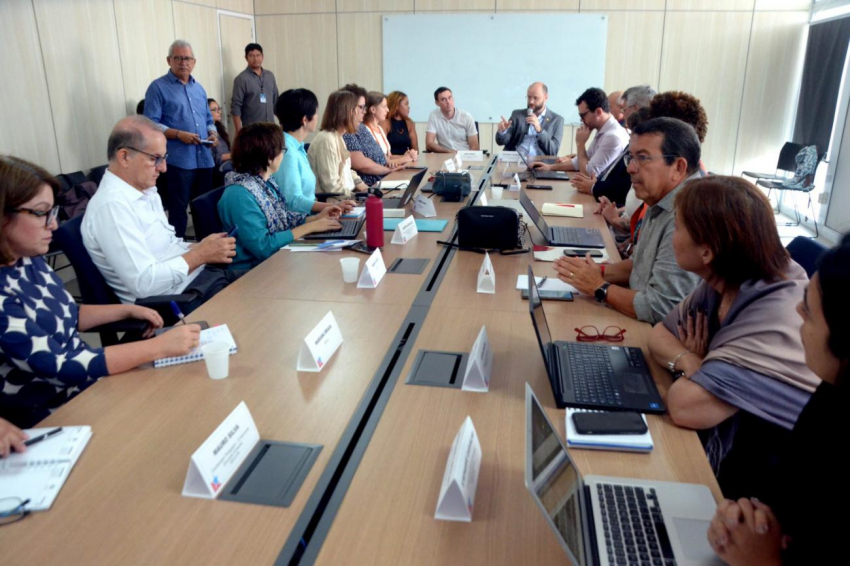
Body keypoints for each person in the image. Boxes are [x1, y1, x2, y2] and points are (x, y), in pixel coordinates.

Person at [648, 176, 818, 502]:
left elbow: (685, 407)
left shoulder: (776, 305)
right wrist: (690, 359)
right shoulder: (724, 279)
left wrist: (700, 363)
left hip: (774, 483)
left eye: (679, 227)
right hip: (743, 446)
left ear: (707, 250)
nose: (673, 236)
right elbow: (660, 334)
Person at [0, 155, 199, 429]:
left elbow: (67, 314)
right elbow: (61, 365)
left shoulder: (27, 259)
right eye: (41, 212)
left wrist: (126, 309)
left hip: (86, 389)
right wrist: (157, 348)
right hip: (48, 415)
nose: (53, 225)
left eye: (52, 212)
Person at [706, 235, 849, 566]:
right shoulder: (831, 390)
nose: (798, 312)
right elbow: (780, 501)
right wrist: (740, 519)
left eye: (810, 312)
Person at [82, 116, 239, 316]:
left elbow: (168, 246)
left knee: (267, 284)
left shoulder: (145, 189)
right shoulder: (112, 207)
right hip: (177, 302)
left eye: (164, 158)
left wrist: (202, 246)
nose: (163, 168)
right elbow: (144, 283)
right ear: (124, 157)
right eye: (155, 158)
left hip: (199, 280)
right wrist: (200, 254)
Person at [553, 117, 702, 324]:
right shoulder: (661, 197)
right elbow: (640, 264)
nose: (630, 168)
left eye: (642, 158)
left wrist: (599, 287)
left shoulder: (689, 215)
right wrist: (599, 272)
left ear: (678, 167)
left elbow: (662, 308)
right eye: (631, 157)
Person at [219, 123, 342, 270]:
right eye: (281, 150)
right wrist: (311, 227)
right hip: (251, 272)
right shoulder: (239, 195)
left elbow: (282, 219)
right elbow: (264, 246)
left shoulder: (265, 182)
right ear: (269, 157)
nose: (283, 155)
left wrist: (316, 218)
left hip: (275, 261)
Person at [143, 39, 217, 238]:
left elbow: (209, 119)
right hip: (178, 160)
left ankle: (206, 251)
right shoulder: (157, 87)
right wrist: (177, 134)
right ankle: (178, 256)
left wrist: (213, 133)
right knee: (179, 211)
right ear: (169, 60)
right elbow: (150, 123)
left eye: (187, 58)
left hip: (204, 158)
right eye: (178, 58)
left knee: (203, 207)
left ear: (194, 62)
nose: (183, 62)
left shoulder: (199, 89)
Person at [272, 89, 355, 215]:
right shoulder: (287, 151)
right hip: (302, 222)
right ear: (305, 120)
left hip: (313, 217)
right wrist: (332, 206)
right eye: (316, 113)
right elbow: (292, 201)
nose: (317, 117)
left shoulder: (297, 146)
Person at [532, 87, 629, 179]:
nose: (582, 120)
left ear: (598, 112)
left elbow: (588, 173)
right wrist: (550, 167)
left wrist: (580, 144)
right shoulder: (603, 130)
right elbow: (580, 161)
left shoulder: (613, 137)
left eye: (583, 115)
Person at [307, 90, 369, 197]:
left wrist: (364, 187)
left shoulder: (337, 136)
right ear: (349, 112)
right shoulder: (327, 140)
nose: (362, 113)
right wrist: (357, 197)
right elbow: (332, 187)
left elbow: (346, 171)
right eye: (358, 109)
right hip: (333, 205)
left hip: (344, 200)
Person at [340, 84, 399, 187]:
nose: (364, 111)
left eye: (364, 107)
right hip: (370, 186)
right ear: (350, 108)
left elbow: (380, 154)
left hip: (383, 180)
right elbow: (361, 165)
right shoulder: (347, 132)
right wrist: (388, 170)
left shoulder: (361, 127)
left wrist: (391, 164)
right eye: (361, 107)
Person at [495, 82, 564, 157]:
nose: (531, 101)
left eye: (535, 98)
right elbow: (501, 141)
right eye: (529, 97)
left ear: (545, 97)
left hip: (539, 163)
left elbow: (553, 151)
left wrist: (539, 130)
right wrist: (502, 132)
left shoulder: (557, 120)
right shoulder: (517, 115)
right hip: (515, 161)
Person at [230, 43, 279, 135]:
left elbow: (276, 101)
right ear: (246, 58)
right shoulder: (241, 79)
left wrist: (282, 123)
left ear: (262, 56)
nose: (255, 59)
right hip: (252, 131)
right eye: (251, 56)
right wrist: (238, 131)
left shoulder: (270, 76)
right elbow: (236, 106)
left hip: (271, 129)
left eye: (258, 55)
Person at [362, 91, 418, 168]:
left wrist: (408, 156)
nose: (387, 110)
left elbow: (388, 156)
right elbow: (379, 161)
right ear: (373, 110)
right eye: (384, 107)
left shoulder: (379, 129)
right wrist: (403, 159)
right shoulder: (365, 131)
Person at [425, 87, 480, 153]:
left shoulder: (466, 117)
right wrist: (448, 152)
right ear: (437, 103)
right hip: (444, 156)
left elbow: (475, 146)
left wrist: (469, 158)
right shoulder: (434, 116)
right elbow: (429, 143)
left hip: (464, 157)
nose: (448, 102)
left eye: (450, 98)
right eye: (443, 99)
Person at [380, 91, 419, 155]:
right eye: (406, 104)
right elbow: (382, 150)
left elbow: (415, 149)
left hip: (408, 161)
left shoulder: (409, 123)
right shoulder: (385, 122)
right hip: (391, 162)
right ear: (396, 105)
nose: (408, 107)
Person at [208, 98, 232, 188]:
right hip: (217, 172)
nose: (219, 112)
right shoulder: (206, 133)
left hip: (228, 166)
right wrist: (235, 155)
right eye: (214, 110)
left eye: (219, 109)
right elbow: (215, 158)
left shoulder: (220, 129)